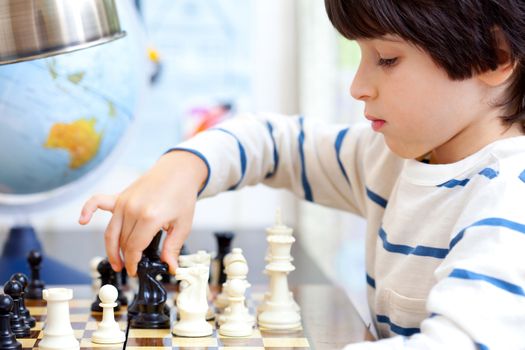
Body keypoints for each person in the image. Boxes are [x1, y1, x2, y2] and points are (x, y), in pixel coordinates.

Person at [79, 0, 525, 348]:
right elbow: (275, 143)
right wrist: (183, 168)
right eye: (360, 54)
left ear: (493, 56)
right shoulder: (392, 159)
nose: (357, 85)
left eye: (386, 58)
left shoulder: (510, 200)